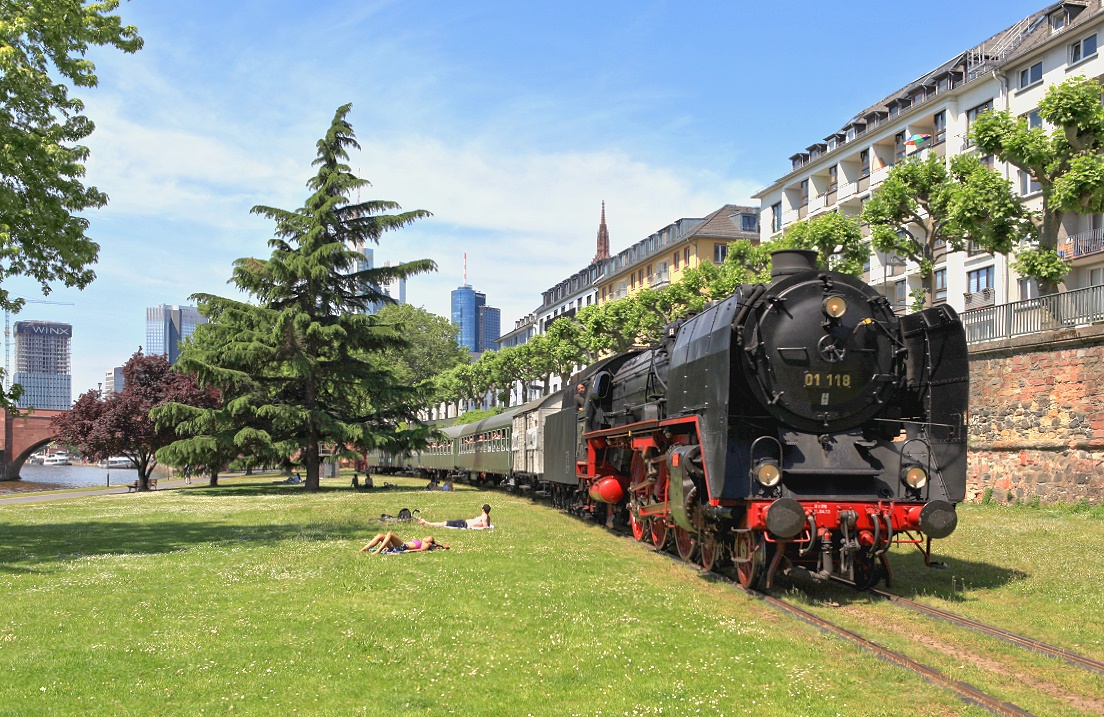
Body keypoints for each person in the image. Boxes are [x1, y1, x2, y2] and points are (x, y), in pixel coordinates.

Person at [357, 532, 449, 554]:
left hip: (403, 547)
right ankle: (363, 549)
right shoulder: (422, 541)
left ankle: (377, 551)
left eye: (429, 537)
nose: (426, 536)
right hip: (398, 546)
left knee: (390, 534)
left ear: (430, 542)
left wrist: (408, 552)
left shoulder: (426, 544)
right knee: (380, 535)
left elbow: (420, 550)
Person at [418, 503, 491, 529]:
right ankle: (426, 523)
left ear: (483, 510)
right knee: (444, 523)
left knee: (444, 523)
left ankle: (426, 523)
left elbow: (485, 527)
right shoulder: (487, 518)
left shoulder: (484, 517)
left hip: (463, 524)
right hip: (464, 523)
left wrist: (473, 527)